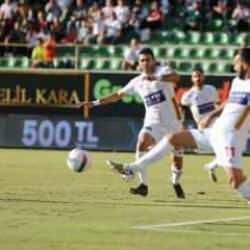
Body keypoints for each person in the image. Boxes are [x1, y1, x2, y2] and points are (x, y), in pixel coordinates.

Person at [107, 47, 250, 203]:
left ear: (245, 64)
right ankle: (131, 168)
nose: (234, 66)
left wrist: (236, 128)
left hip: (230, 138)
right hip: (214, 132)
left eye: (236, 62)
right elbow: (230, 102)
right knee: (173, 138)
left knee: (236, 181)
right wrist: (210, 115)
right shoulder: (237, 81)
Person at [81, 47, 185, 198]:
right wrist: (95, 103)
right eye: (142, 60)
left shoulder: (163, 70)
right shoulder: (136, 82)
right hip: (153, 121)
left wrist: (158, 78)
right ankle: (144, 185)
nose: (145, 63)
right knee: (142, 142)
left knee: (177, 164)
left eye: (148, 59)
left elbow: (176, 77)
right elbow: (118, 95)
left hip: (173, 124)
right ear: (139, 63)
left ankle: (175, 182)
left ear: (154, 60)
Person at [181, 67, 220, 182]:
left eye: (199, 75)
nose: (197, 78)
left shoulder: (211, 89)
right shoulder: (187, 96)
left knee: (226, 149)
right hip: (203, 128)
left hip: (216, 124)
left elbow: (217, 105)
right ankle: (211, 166)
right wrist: (182, 125)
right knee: (224, 152)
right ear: (191, 79)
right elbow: (182, 112)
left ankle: (211, 166)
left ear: (203, 76)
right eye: (195, 76)